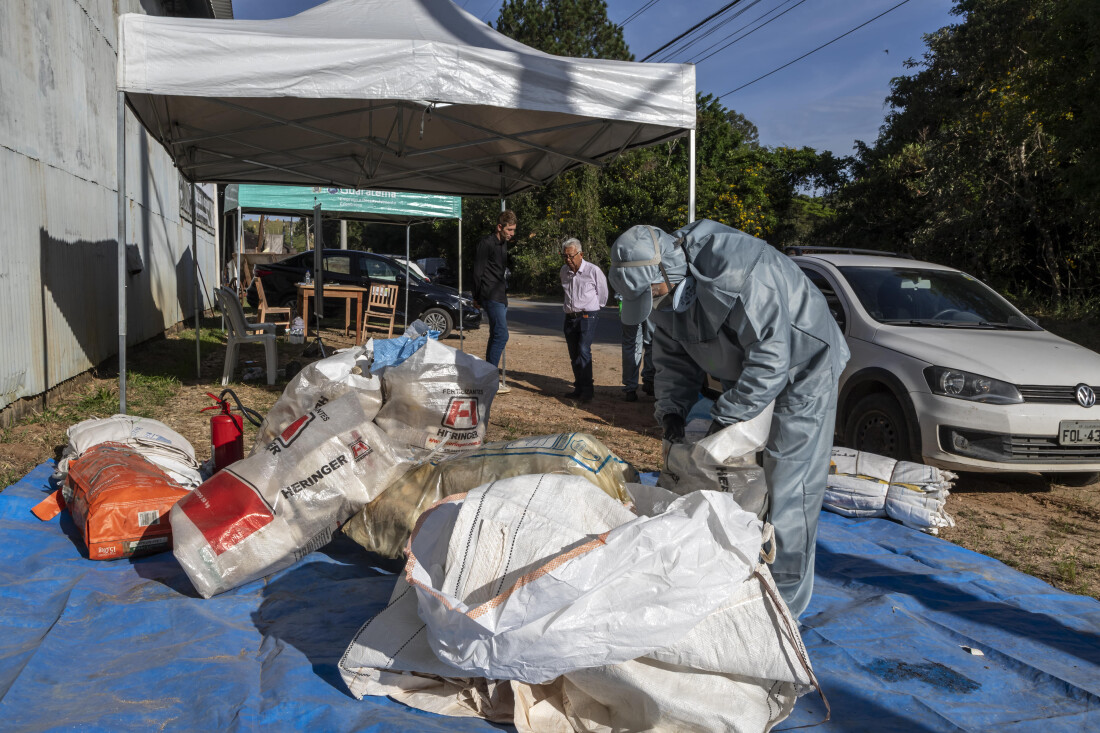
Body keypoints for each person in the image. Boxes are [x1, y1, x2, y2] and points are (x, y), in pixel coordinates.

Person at [608, 220, 850, 617]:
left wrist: (727, 416)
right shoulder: (663, 296)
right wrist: (671, 410)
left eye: (654, 294)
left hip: (803, 368)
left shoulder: (737, 271)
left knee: (790, 483)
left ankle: (783, 607)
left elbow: (771, 360)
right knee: (743, 475)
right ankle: (740, 571)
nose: (655, 305)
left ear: (669, 269)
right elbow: (672, 358)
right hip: (747, 368)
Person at [472, 210, 517, 393]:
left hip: (500, 295)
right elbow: (477, 271)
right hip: (489, 295)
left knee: (495, 335)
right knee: (501, 335)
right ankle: (490, 380)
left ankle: (487, 378)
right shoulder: (486, 243)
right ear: (500, 227)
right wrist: (476, 297)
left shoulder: (503, 244)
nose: (512, 233)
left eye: (513, 230)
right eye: (509, 230)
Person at [559, 237, 609, 403]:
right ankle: (578, 388)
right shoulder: (564, 271)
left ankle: (588, 391)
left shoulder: (593, 270)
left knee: (583, 350)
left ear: (581, 254)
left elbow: (603, 294)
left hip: (588, 315)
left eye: (571, 256)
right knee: (574, 354)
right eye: (565, 256)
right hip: (570, 317)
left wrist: (592, 307)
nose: (568, 259)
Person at [620, 312, 654, 402]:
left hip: (630, 308)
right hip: (652, 307)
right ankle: (649, 381)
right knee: (651, 343)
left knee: (630, 345)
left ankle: (630, 389)